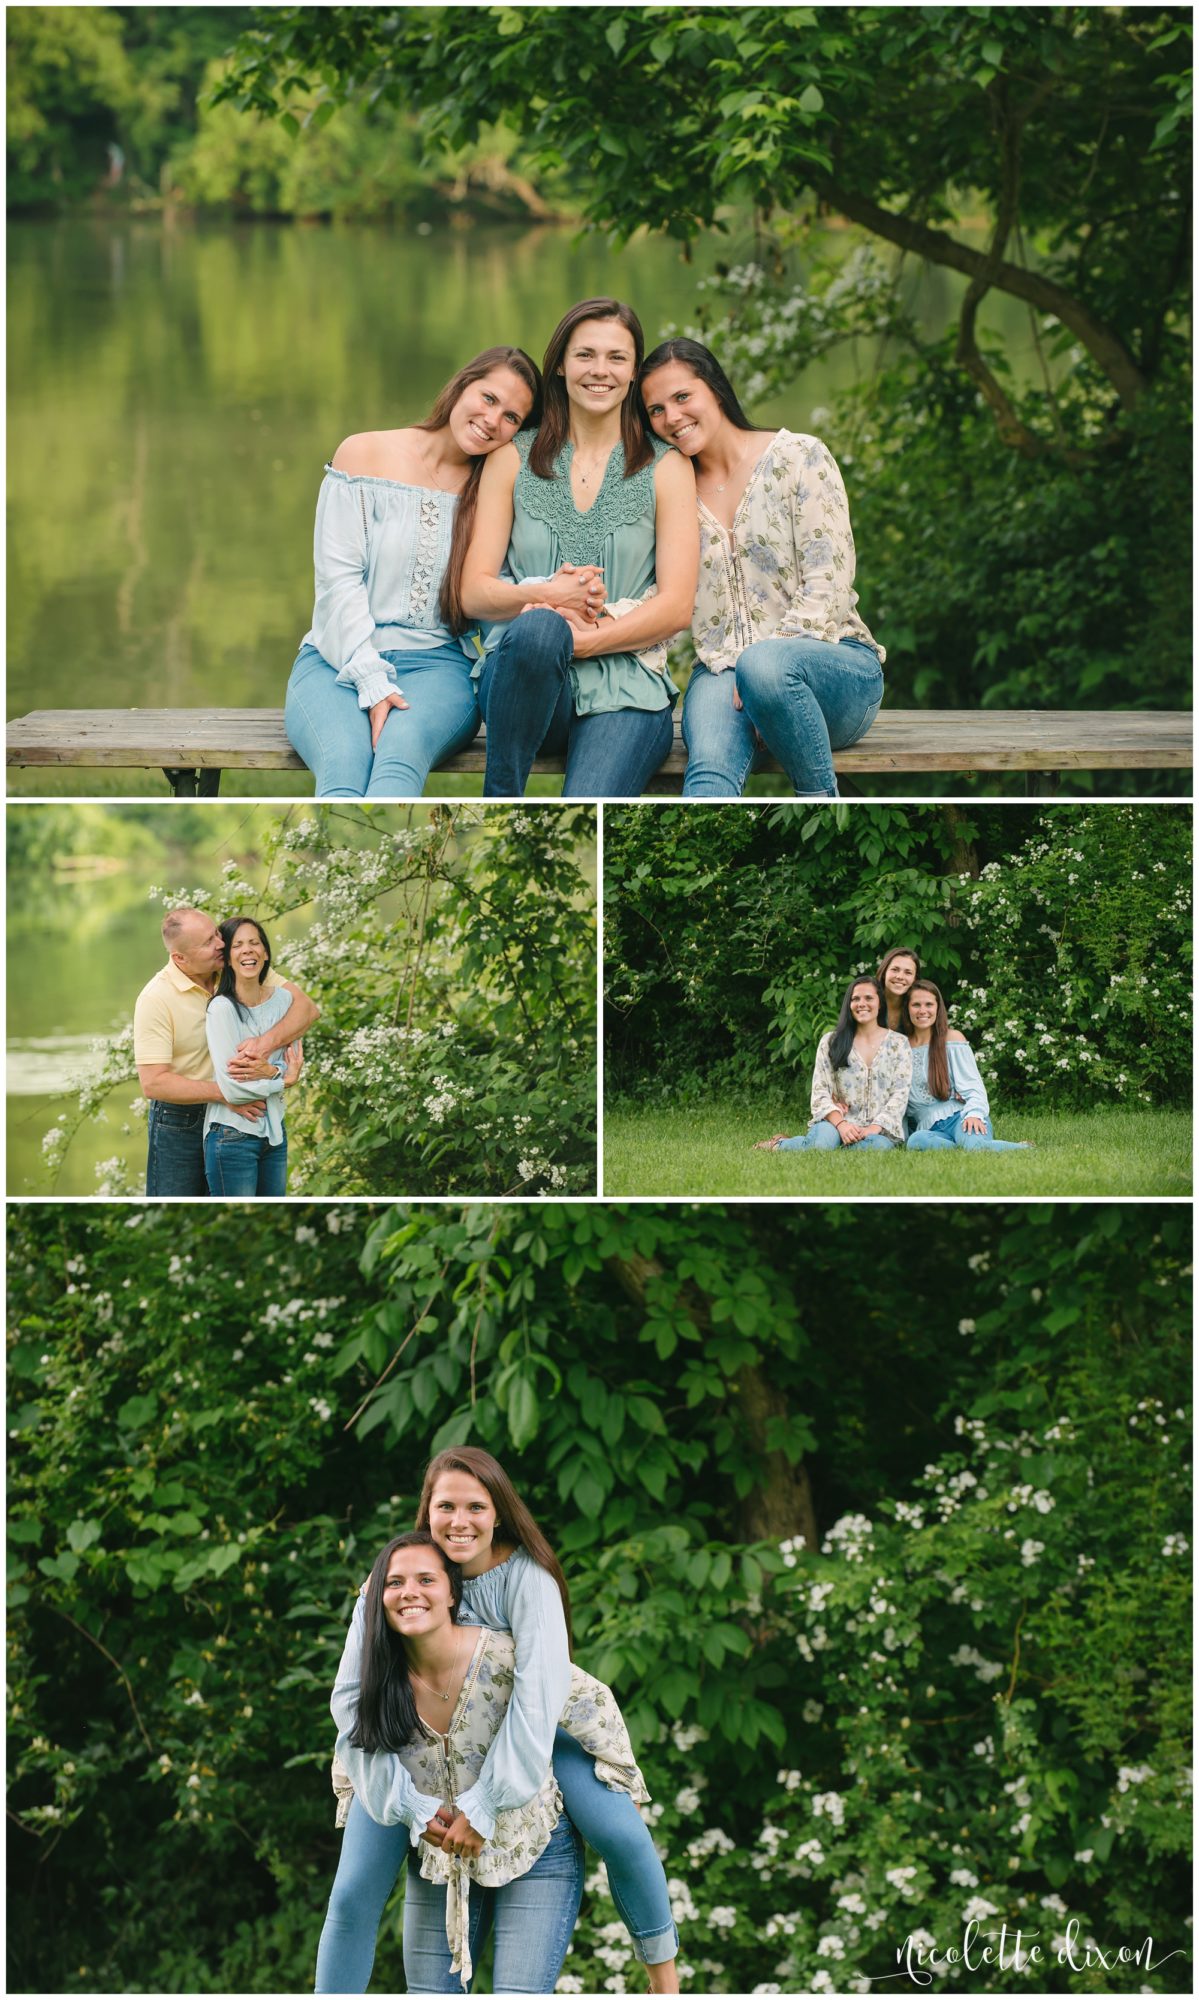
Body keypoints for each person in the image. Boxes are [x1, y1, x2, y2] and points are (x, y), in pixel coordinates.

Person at [318, 1449, 680, 1993]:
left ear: (499, 1512)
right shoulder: (397, 1583)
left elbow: (539, 1695)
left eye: (475, 1507)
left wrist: (488, 1799)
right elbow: (350, 1700)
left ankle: (665, 1979)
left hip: (528, 1731)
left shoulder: (527, 1578)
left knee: (619, 1834)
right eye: (446, 1506)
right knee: (351, 1890)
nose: (459, 1522)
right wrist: (409, 1804)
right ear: (427, 1510)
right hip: (415, 1746)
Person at [460, 298, 699, 798]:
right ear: (562, 365)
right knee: (541, 628)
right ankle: (501, 797)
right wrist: (550, 595)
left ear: (634, 372)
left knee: (591, 802)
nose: (599, 370)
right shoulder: (511, 457)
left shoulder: (667, 467)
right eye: (585, 354)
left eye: (616, 357)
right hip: (523, 683)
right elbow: (474, 593)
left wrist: (587, 641)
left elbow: (677, 607)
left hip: (626, 688)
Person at [285, 348, 541, 800]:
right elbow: (337, 583)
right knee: (344, 764)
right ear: (462, 385)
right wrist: (370, 679)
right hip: (336, 661)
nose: (492, 420)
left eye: (512, 418)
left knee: (399, 759)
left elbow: (487, 597)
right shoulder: (364, 453)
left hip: (438, 668)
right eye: (488, 398)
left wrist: (548, 592)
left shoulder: (493, 492)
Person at [639, 337, 883, 798]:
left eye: (682, 397)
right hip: (721, 671)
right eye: (655, 410)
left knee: (765, 668)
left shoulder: (800, 457)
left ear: (714, 388)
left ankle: (820, 807)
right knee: (708, 770)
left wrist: (761, 674)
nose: (671, 418)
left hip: (835, 669)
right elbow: (661, 596)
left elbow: (827, 581)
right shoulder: (673, 490)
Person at [133, 907, 318, 1196]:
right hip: (182, 1121)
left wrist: (264, 1044)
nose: (221, 944)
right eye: (207, 943)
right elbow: (153, 1082)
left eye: (216, 934)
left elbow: (306, 1009)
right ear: (180, 957)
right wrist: (226, 1094)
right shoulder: (155, 998)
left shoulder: (233, 967)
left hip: (236, 1118)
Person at [203, 919, 304, 1196]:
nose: (248, 951)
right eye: (237, 945)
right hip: (232, 1136)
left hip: (274, 1134)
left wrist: (269, 1071)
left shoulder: (285, 1001)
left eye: (254, 943)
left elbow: (293, 1060)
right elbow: (234, 1089)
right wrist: (278, 1078)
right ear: (227, 958)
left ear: (266, 952)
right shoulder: (221, 1010)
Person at [754, 975, 911, 1151]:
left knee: (878, 1148)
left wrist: (872, 1129)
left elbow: (900, 1094)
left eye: (869, 998)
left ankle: (824, 1145)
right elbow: (820, 1091)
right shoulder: (831, 1041)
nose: (861, 1003)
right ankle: (779, 1145)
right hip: (835, 1123)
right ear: (849, 1005)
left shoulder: (899, 1044)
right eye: (855, 999)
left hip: (878, 1130)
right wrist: (842, 1125)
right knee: (822, 1146)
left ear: (880, 1003)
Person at [903, 980, 1031, 1152]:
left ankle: (1025, 1149)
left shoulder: (952, 1039)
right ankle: (961, 1148)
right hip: (928, 1128)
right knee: (916, 1142)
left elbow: (973, 1086)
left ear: (938, 1008)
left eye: (929, 1004)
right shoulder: (901, 1047)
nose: (923, 1010)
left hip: (961, 1117)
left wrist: (974, 1114)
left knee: (976, 1147)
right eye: (916, 1004)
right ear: (907, 1008)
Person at [876, 947, 921, 1032]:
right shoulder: (868, 1003)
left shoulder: (919, 1008)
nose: (900, 977)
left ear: (915, 979)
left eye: (908, 972)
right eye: (895, 970)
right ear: (884, 973)